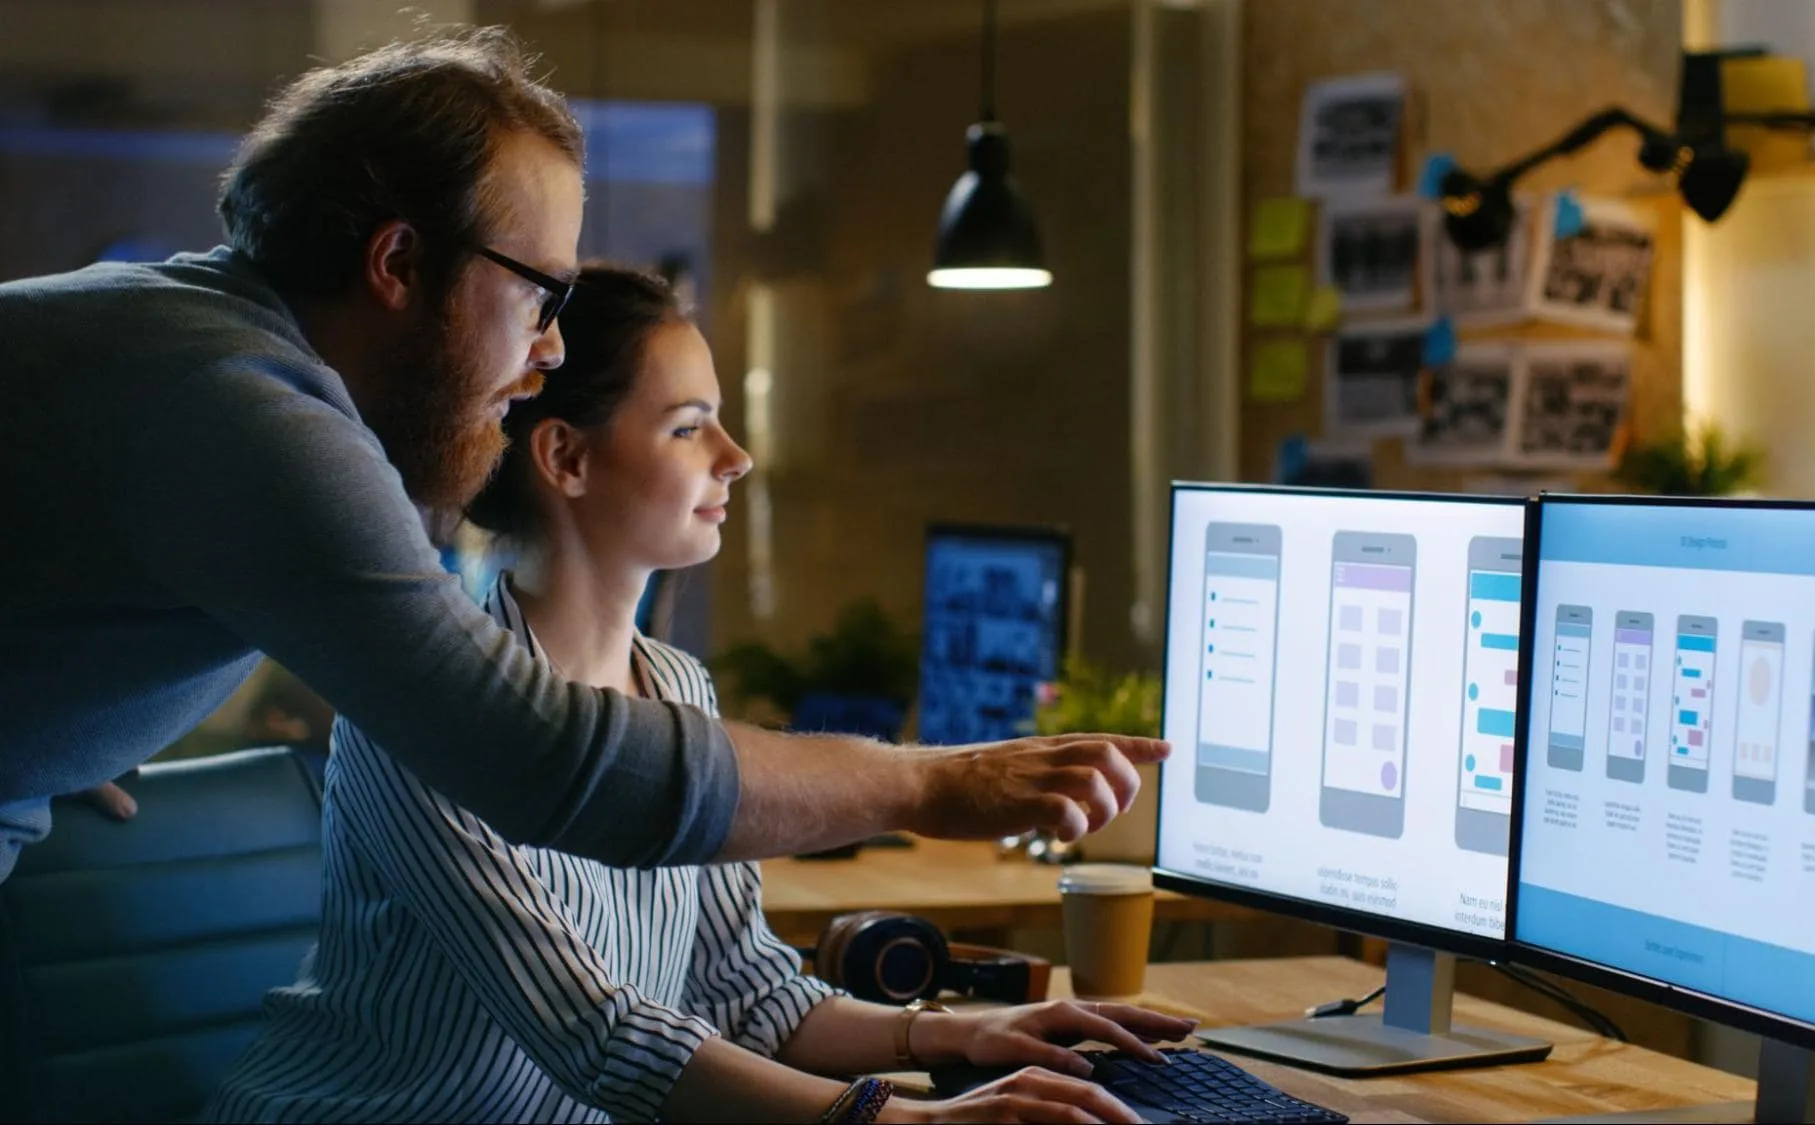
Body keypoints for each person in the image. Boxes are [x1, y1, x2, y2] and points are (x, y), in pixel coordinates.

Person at [0, 27, 1166, 883]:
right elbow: (546, 762)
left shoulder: (187, 349)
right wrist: (932, 782)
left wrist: (64, 726)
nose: (549, 349)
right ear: (399, 265)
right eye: (539, 293)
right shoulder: (247, 411)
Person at [206, 265, 1187, 1124]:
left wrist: (965, 1036)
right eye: (688, 427)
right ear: (567, 459)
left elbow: (749, 994)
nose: (736, 456)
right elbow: (597, 1033)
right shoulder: (422, 717)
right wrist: (912, 1124)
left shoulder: (675, 688)